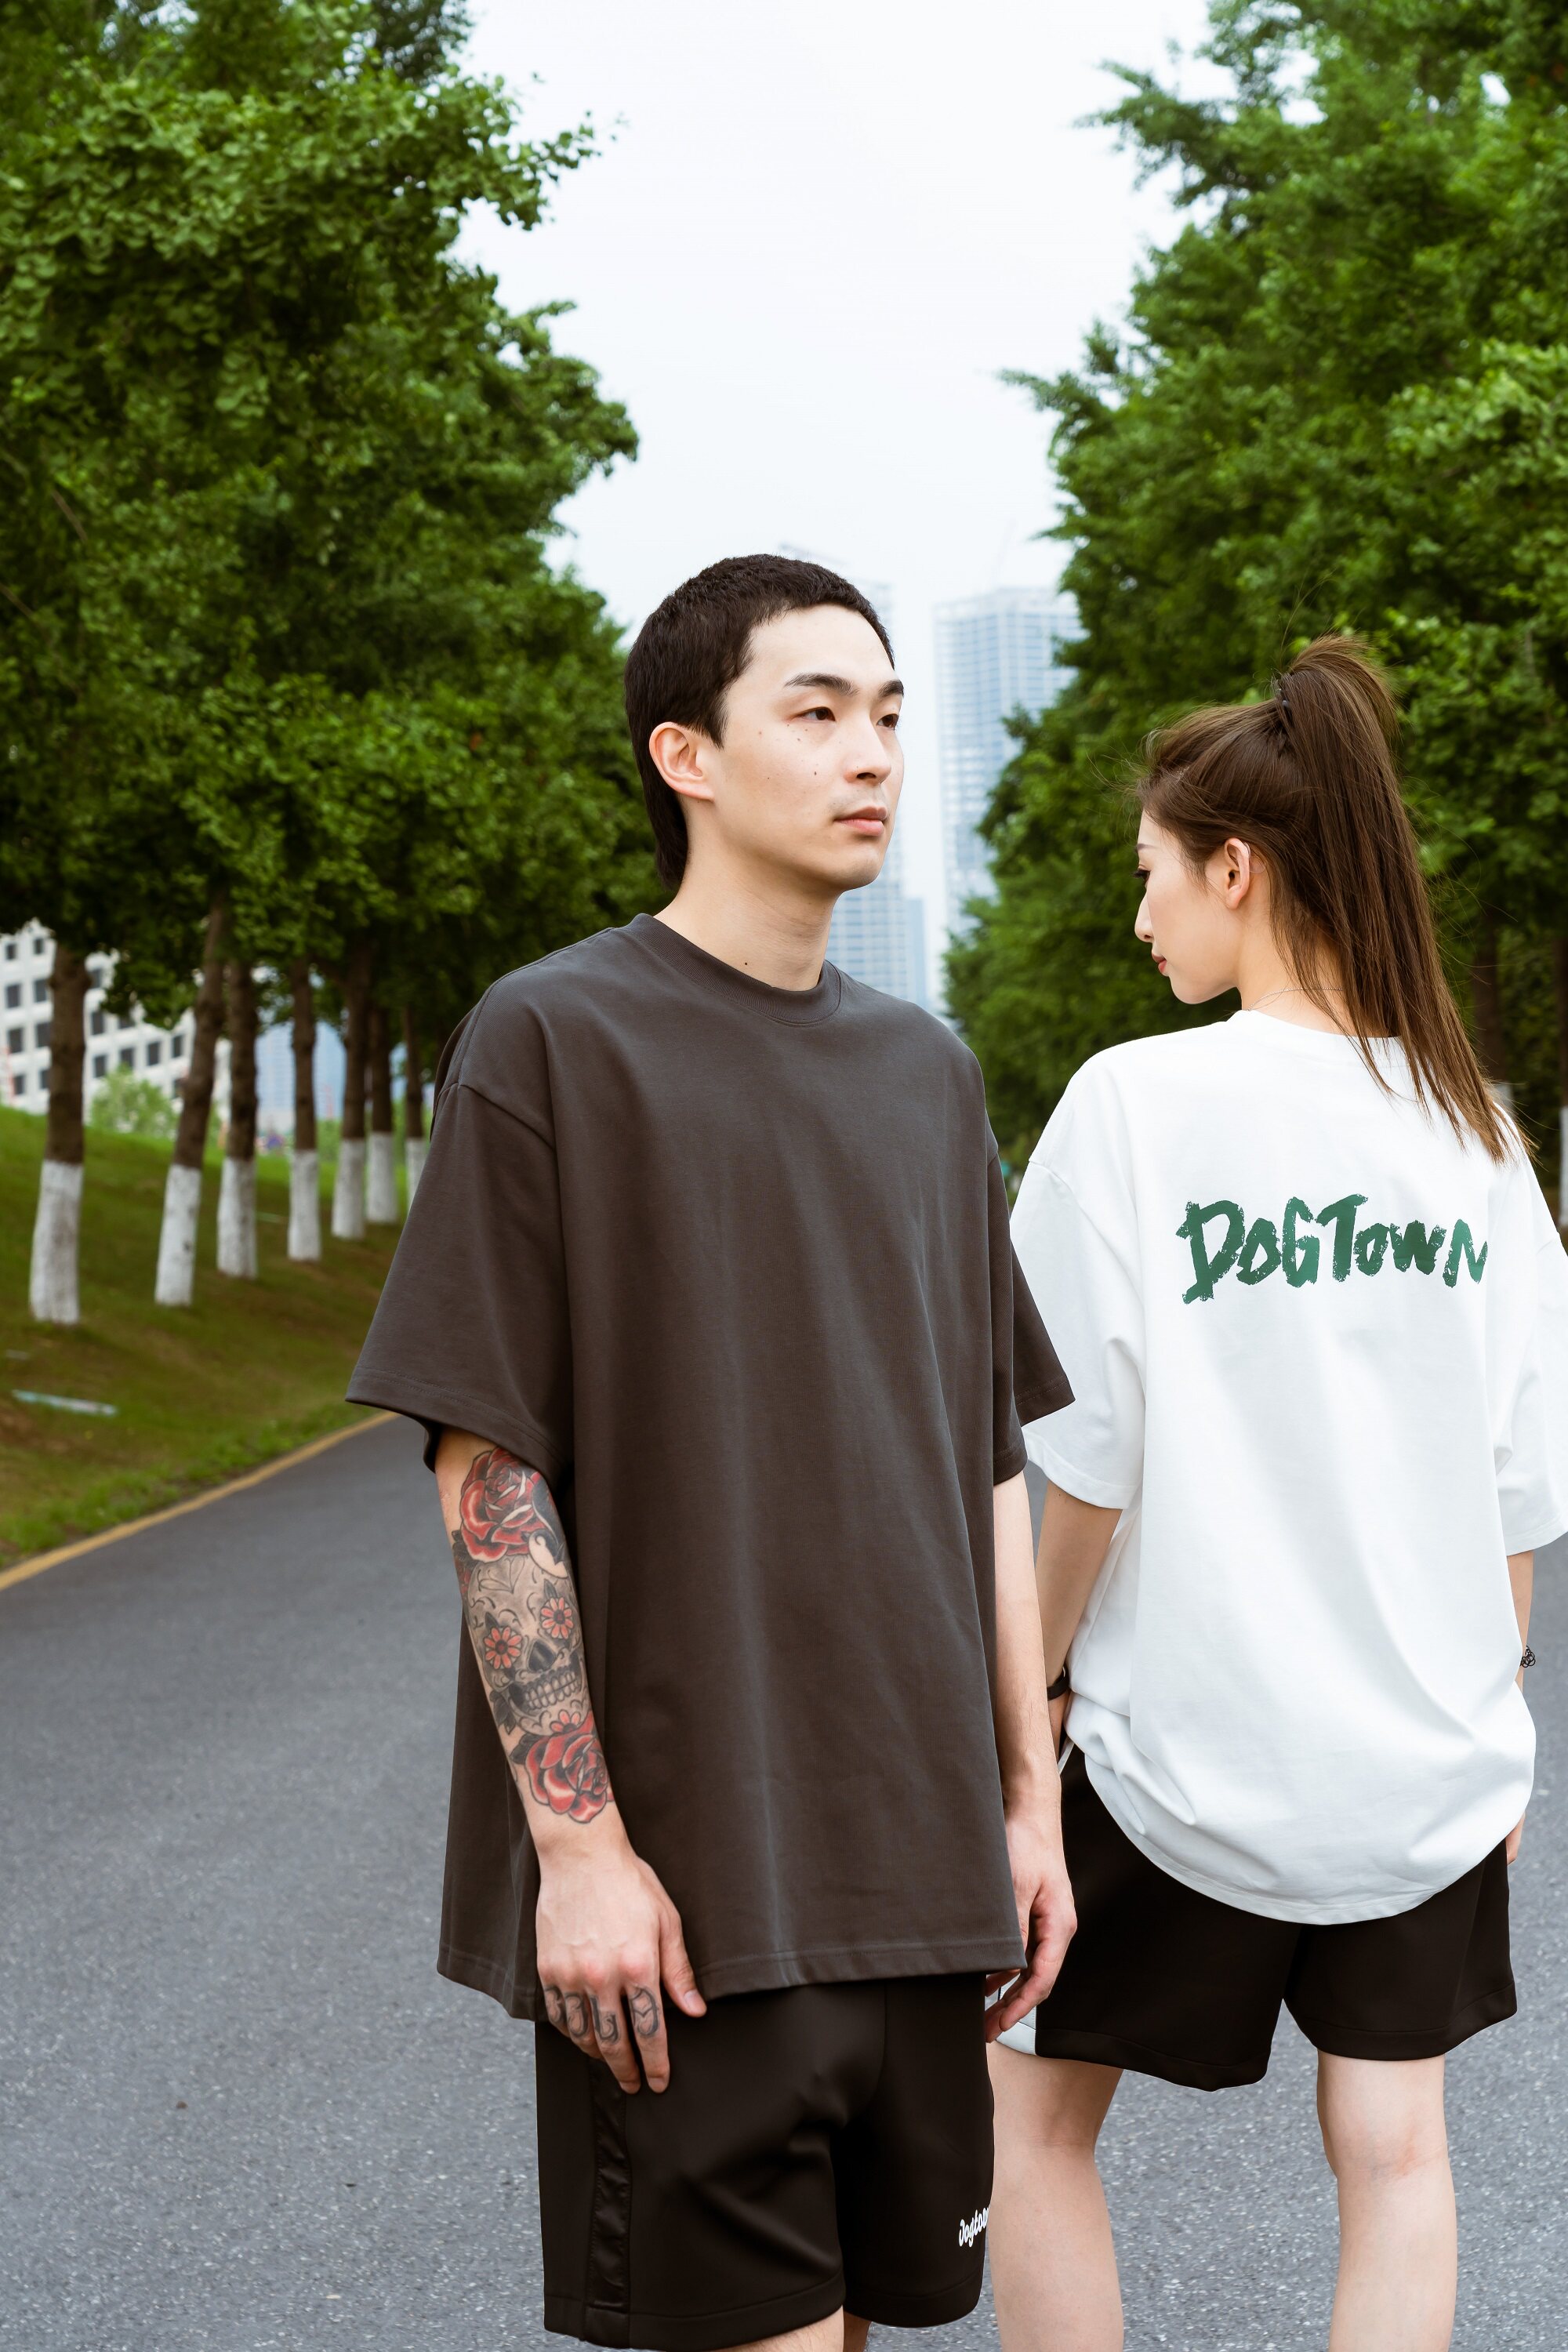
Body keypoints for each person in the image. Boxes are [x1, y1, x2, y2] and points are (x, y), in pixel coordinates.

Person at [347, 554, 1077, 2352]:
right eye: (814, 713)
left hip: (922, 1881)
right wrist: (581, 1851)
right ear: (685, 754)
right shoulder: (551, 1038)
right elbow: (487, 1472)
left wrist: (1026, 1801)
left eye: (888, 715)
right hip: (694, 1901)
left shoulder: (930, 1078)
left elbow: (984, 1465)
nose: (872, 755)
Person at [992, 637, 1568, 2352]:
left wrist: (1029, 1702)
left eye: (1152, 875)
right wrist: (1499, 1716)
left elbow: (1083, 1469)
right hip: (1419, 1760)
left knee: (1029, 2121)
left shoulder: (1131, 1106)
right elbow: (1518, 1487)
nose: (1142, 917)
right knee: (1394, 2153)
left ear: (1234, 868)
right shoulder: (1474, 1134)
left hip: (1174, 1752)